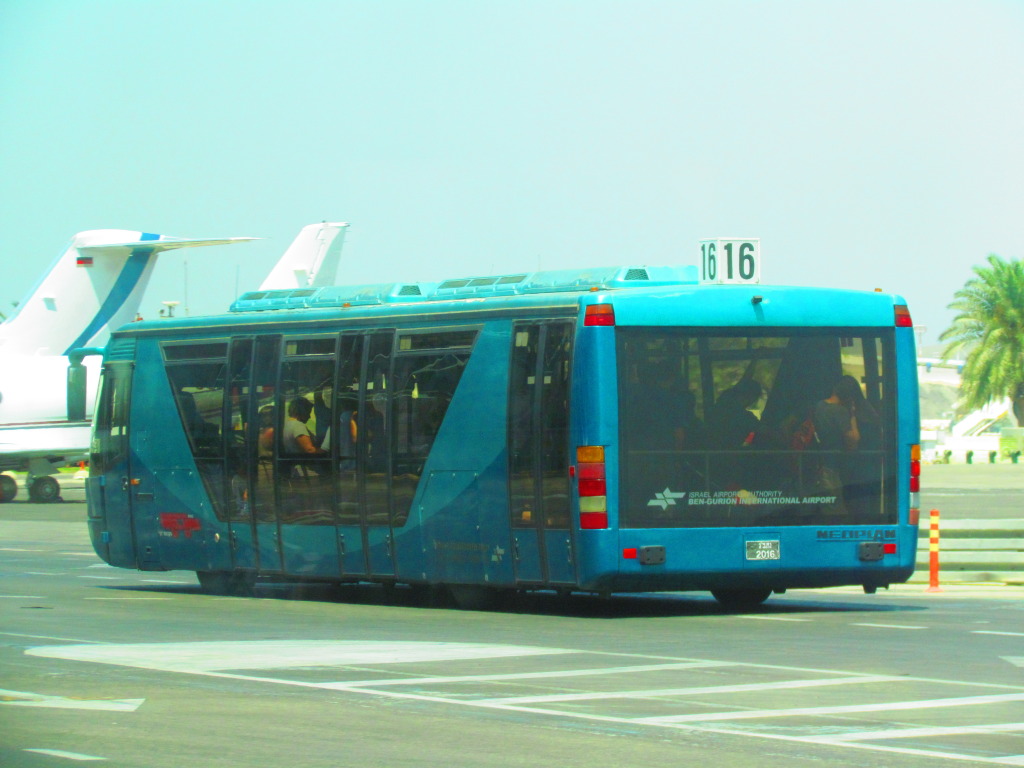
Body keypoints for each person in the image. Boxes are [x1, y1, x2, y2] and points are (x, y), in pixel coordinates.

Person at [706, 378, 763, 450]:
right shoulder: (739, 414)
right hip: (725, 455)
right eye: (755, 397)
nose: (753, 401)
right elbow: (761, 429)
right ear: (749, 395)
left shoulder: (718, 407)